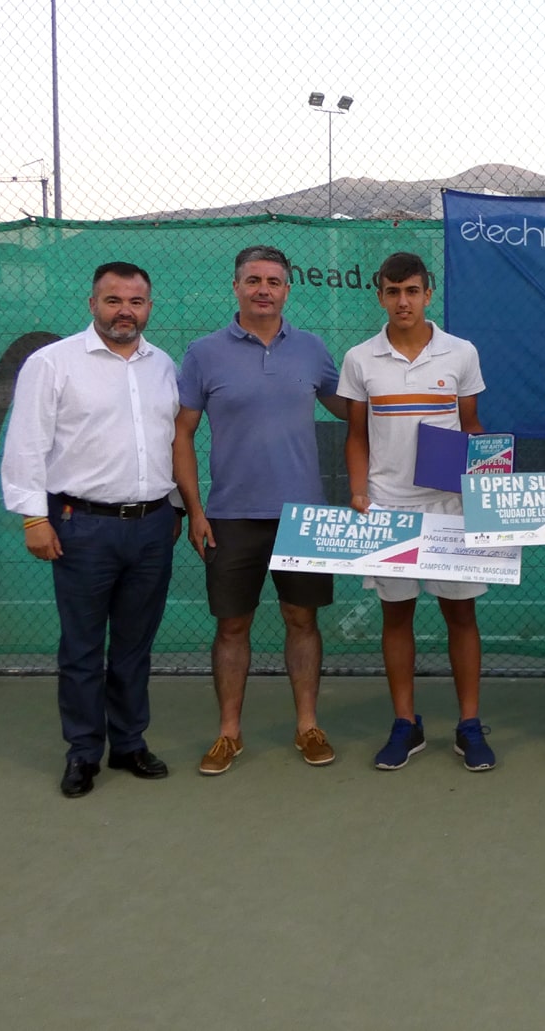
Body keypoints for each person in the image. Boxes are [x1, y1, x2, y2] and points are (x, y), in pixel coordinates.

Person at [1, 262, 180, 799]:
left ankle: (128, 743)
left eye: (136, 301)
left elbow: (166, 441)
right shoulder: (52, 364)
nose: (125, 310)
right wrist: (35, 517)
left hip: (152, 528)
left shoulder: (162, 366)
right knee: (82, 650)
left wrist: (171, 508)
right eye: (113, 300)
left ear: (149, 306)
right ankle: (83, 753)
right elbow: (27, 442)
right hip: (81, 527)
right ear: (92, 303)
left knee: (133, 646)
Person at [173, 245, 348, 776]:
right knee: (233, 626)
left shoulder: (312, 350)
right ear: (236, 287)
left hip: (304, 517)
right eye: (253, 280)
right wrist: (195, 510)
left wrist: (412, 402)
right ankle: (229, 734)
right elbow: (182, 432)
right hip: (230, 516)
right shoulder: (204, 353)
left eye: (273, 281)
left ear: (288, 289)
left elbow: (350, 410)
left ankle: (308, 725)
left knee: (302, 619)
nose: (263, 289)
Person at [338, 251, 496, 771]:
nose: (402, 301)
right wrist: (361, 493)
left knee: (460, 615)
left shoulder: (461, 353)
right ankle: (406, 724)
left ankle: (469, 725)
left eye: (412, 291)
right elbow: (356, 435)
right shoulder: (361, 358)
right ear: (380, 295)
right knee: (397, 616)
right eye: (392, 291)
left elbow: (470, 426)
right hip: (388, 509)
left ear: (428, 294)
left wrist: (485, 475)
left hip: (449, 507)